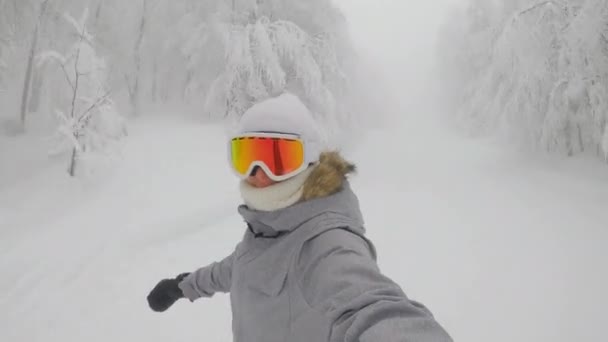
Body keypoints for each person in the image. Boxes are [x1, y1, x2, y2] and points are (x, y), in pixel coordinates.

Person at [147, 93, 452, 342]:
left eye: (277, 159)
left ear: (307, 160)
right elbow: (238, 267)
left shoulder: (326, 243)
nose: (259, 174)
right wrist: (182, 286)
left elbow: (372, 308)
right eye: (247, 157)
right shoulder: (269, 227)